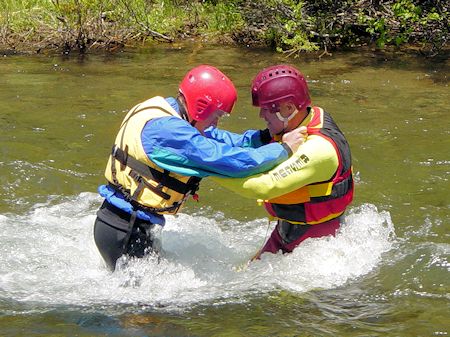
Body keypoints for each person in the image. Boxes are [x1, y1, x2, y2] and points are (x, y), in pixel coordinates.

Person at [93, 65, 305, 271]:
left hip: (122, 225)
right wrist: (284, 149)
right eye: (217, 116)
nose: (217, 123)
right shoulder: (170, 133)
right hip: (125, 233)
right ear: (201, 107)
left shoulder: (165, 111)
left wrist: (263, 138)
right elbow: (228, 160)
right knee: (151, 307)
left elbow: (217, 139)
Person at [212, 64, 354, 259]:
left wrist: (203, 168)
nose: (261, 116)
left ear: (288, 108)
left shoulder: (319, 150)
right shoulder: (304, 118)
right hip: (287, 232)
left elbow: (265, 186)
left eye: (266, 110)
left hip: (315, 246)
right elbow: (246, 143)